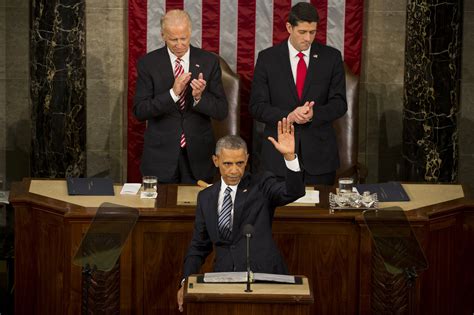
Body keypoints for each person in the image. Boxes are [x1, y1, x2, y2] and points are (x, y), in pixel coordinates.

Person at [176, 118, 305, 312]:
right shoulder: (206, 197)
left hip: (265, 278)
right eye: (227, 163)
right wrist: (185, 281)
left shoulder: (262, 184)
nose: (234, 170)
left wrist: (290, 158)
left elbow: (292, 192)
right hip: (223, 280)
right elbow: (199, 246)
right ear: (216, 160)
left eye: (240, 163)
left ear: (247, 160)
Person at [249, 2, 347, 185]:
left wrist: (313, 115)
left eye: (312, 32)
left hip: (319, 159)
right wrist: (289, 116)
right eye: (302, 32)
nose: (308, 38)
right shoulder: (267, 59)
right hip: (278, 159)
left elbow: (339, 103)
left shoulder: (331, 58)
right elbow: (257, 107)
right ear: (289, 27)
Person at [133, 10, 228, 184]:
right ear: (163, 35)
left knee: (198, 210)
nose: (179, 44)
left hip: (199, 156)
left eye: (183, 38)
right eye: (173, 39)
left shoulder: (208, 61)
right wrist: (173, 94)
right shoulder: (148, 63)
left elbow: (221, 111)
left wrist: (199, 97)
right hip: (160, 158)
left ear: (190, 32)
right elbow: (140, 111)